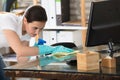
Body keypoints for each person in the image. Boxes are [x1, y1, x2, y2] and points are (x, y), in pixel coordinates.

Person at [0, 5, 74, 79]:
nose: (37, 33)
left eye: (41, 29)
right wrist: (50, 49)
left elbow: (21, 58)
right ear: (25, 20)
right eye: (35, 28)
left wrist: (35, 54)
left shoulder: (27, 34)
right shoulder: (9, 20)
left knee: (5, 77)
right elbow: (20, 51)